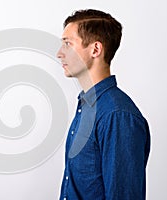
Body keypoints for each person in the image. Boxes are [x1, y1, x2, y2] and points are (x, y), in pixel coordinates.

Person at [56, 9, 150, 200]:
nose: (59, 53)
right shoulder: (87, 105)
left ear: (95, 50)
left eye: (68, 44)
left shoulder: (117, 115)